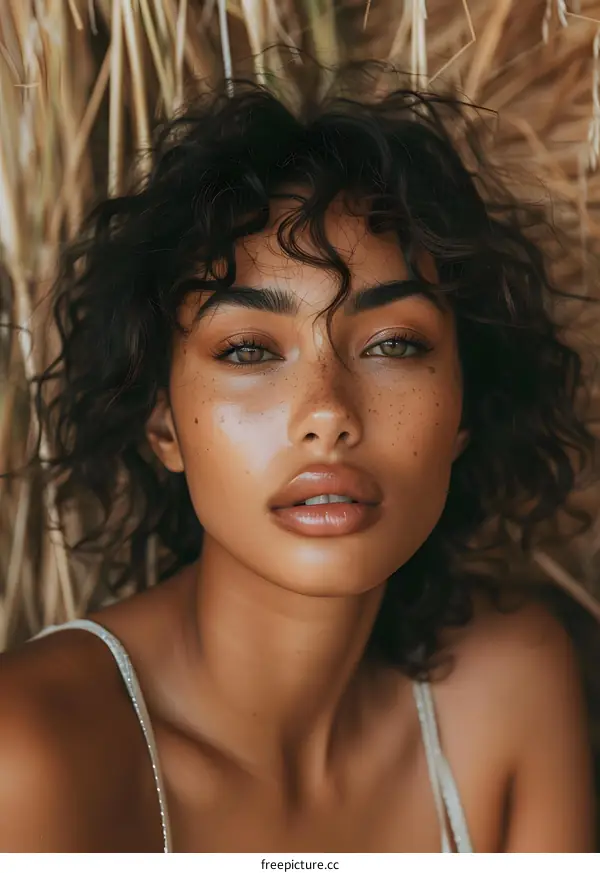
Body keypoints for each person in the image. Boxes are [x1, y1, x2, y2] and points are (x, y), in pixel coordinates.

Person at [0, 66, 595, 852]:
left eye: (393, 344)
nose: (328, 415)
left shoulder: (508, 689)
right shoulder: (32, 754)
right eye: (248, 349)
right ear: (164, 423)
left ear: (464, 406)